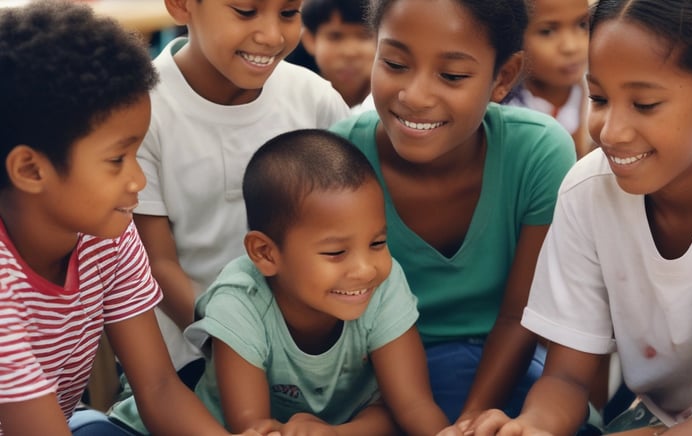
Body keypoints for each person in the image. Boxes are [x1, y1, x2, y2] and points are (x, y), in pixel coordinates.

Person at [444, 0, 692, 434]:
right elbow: (567, 377)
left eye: (645, 103)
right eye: (598, 97)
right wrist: (534, 427)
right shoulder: (589, 190)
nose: (610, 132)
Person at [0, 2, 254, 435]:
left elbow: (157, 387)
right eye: (117, 159)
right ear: (30, 170)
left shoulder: (105, 233)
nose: (138, 180)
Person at [330, 0, 577, 425]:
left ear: (502, 78)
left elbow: (520, 316)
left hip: (500, 378)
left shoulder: (537, 152)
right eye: (394, 63)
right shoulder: (337, 159)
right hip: (374, 386)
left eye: (452, 76)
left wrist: (471, 421)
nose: (416, 95)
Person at [108, 0, 351, 425]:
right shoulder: (142, 109)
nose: (272, 35)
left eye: (289, 13)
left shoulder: (313, 99)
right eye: (245, 11)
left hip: (313, 365)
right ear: (182, 6)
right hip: (190, 361)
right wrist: (236, 345)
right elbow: (156, 264)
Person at [184, 129, 450, 435]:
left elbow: (411, 407)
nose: (365, 269)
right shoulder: (240, 303)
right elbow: (253, 427)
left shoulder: (384, 286)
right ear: (266, 253)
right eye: (336, 252)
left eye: (377, 243)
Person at [500, 0, 593, 159]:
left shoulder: (604, 99)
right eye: (547, 31)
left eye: (582, 25)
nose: (571, 47)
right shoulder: (503, 115)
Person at [299, 0, 377, 111]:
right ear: (310, 40)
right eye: (335, 36)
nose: (350, 52)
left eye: (364, 36)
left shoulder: (393, 100)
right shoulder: (295, 99)